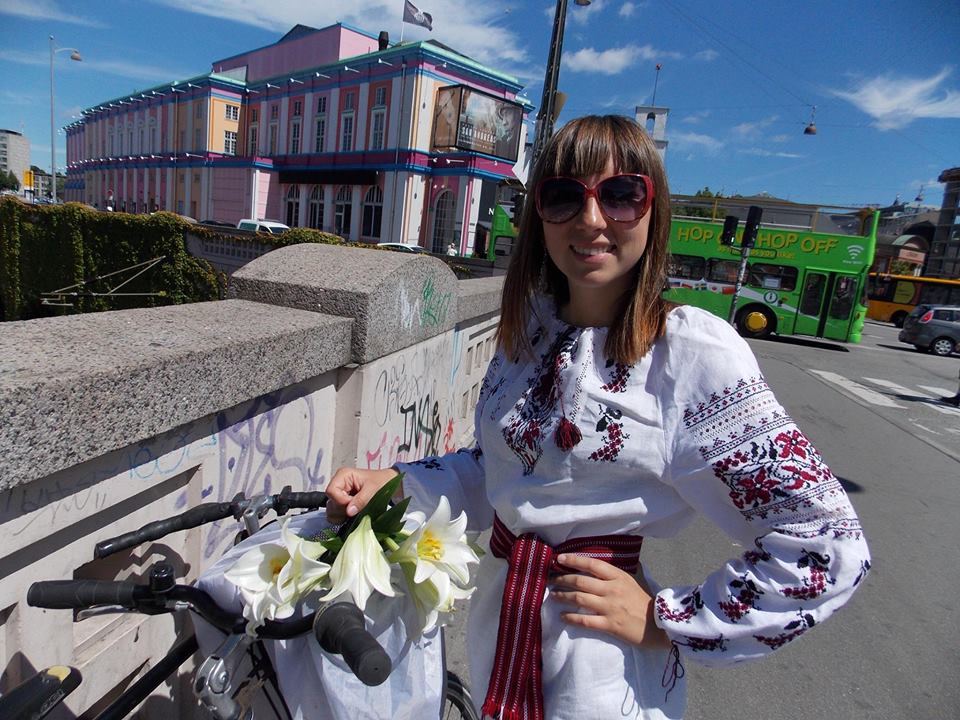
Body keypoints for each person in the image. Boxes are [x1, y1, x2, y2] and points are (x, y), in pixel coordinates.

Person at [326, 115, 870, 720]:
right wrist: (399, 485)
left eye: (620, 194)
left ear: (654, 210)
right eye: (564, 196)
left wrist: (669, 619)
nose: (590, 219)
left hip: (601, 672)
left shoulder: (689, 354)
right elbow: (500, 473)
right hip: (502, 636)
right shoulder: (528, 330)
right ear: (539, 215)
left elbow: (825, 543)